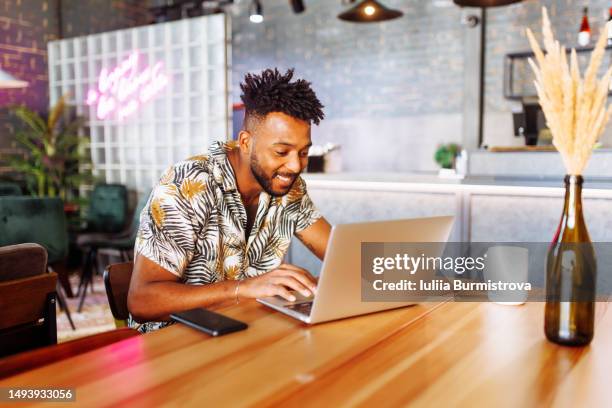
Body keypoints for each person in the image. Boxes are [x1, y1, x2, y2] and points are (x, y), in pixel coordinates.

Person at [128, 68, 332, 332]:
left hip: (245, 333)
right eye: (282, 151)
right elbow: (141, 300)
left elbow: (340, 253)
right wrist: (242, 289)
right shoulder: (188, 184)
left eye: (303, 152)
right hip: (171, 347)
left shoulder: (288, 188)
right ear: (245, 142)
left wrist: (393, 265)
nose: (295, 165)